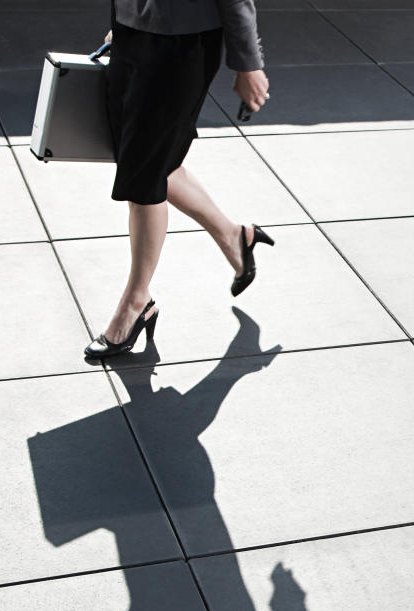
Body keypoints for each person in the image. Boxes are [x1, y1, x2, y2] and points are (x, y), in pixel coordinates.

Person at [85, 0, 274, 358]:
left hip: (182, 43)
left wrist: (248, 63)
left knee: (144, 177)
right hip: (132, 30)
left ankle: (136, 302)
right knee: (152, 163)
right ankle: (235, 237)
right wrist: (125, 19)